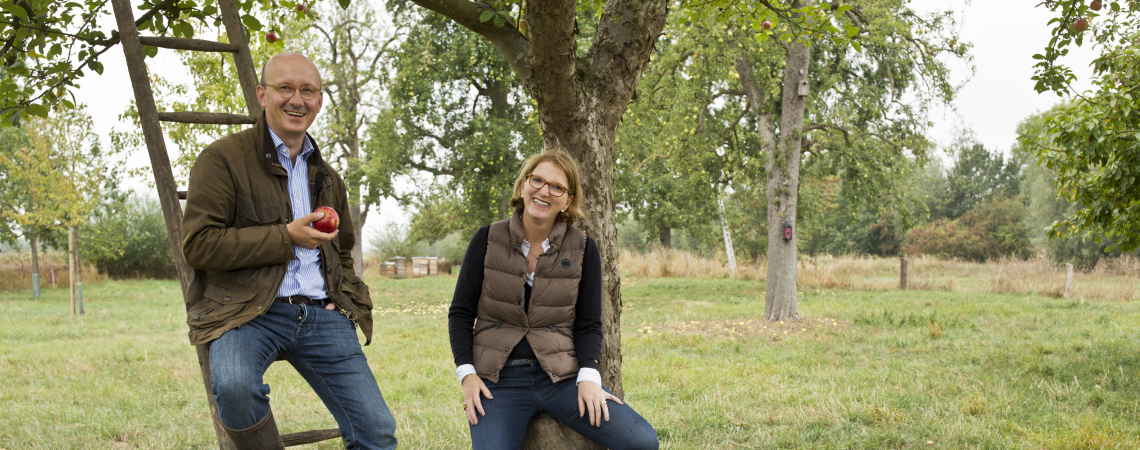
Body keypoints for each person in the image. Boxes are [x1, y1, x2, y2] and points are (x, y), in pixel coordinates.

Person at [181, 52, 397, 450]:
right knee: (233, 387)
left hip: (320, 312)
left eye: (308, 91)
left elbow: (343, 251)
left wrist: (347, 298)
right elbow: (199, 244)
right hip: (249, 314)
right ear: (263, 95)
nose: (297, 100)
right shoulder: (222, 160)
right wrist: (286, 237)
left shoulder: (328, 177)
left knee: (377, 431)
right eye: (285, 88)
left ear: (318, 100)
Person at [448, 149, 659, 450]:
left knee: (642, 441)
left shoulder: (584, 249)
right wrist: (467, 375)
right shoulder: (486, 239)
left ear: (567, 201)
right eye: (537, 180)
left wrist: (589, 377)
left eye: (557, 187)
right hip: (498, 382)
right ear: (523, 185)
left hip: (561, 377)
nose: (544, 191)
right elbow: (459, 314)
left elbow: (589, 323)